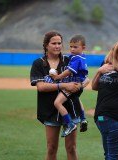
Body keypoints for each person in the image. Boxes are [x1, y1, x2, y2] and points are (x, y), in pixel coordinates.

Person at [30, 31, 82, 160]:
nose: (57, 46)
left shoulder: (69, 60)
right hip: (49, 110)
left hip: (70, 109)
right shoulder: (38, 63)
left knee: (71, 148)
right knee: (51, 148)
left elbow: (82, 79)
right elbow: (41, 87)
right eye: (53, 43)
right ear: (46, 45)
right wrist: (63, 85)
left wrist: (78, 85)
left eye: (59, 43)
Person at [50, 34, 89, 137]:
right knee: (76, 99)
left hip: (73, 83)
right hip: (79, 83)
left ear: (83, 47)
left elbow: (68, 71)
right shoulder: (82, 57)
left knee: (57, 102)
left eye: (75, 47)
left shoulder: (76, 58)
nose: (72, 49)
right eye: (71, 46)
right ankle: (83, 118)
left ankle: (70, 124)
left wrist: (58, 77)